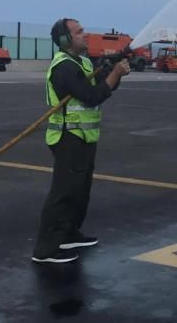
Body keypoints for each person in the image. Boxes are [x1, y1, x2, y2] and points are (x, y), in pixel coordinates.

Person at [32, 18, 130, 263]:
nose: (85, 35)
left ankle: (69, 234)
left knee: (80, 190)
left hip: (84, 136)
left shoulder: (83, 62)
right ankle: (45, 250)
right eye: (79, 32)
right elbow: (90, 96)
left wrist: (114, 74)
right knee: (63, 192)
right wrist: (115, 74)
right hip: (68, 136)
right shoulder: (63, 67)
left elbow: (102, 89)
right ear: (65, 40)